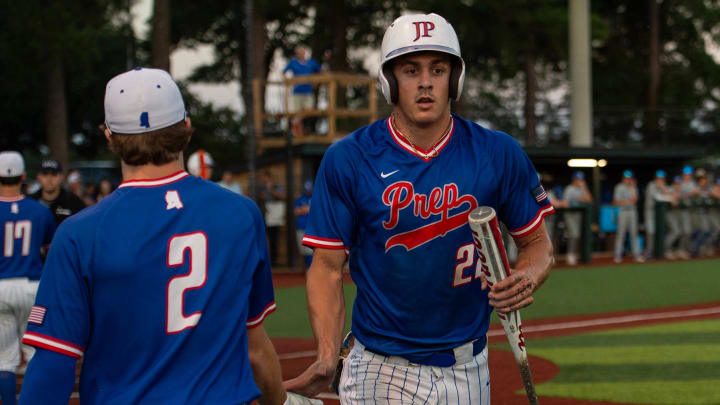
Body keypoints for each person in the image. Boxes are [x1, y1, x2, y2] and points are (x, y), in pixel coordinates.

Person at [285, 13, 555, 403]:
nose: (426, 81)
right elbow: (326, 268)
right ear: (390, 81)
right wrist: (327, 355)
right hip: (382, 367)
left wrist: (525, 277)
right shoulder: (350, 158)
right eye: (411, 70)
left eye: (438, 69)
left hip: (471, 364)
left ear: (455, 79)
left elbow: (538, 245)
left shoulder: (498, 153)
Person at [19, 67, 287, 404]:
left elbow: (53, 366)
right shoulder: (241, 214)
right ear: (186, 128)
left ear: (110, 137)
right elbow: (256, 352)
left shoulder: (79, 233)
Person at [0, 151, 56, 405]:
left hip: (1, 288)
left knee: (5, 360)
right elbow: (49, 250)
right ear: (24, 176)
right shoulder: (40, 211)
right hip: (32, 288)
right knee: (35, 355)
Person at [30, 158, 86, 225]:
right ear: (38, 177)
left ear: (61, 177)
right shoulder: (31, 201)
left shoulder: (73, 201)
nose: (49, 179)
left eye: (54, 175)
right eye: (45, 174)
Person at [283, 47, 322, 136]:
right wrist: (289, 82)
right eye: (299, 52)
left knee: (309, 109)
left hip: (308, 91)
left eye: (303, 52)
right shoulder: (293, 62)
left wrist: (316, 82)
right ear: (297, 54)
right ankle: (298, 135)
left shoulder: (311, 62)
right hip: (297, 91)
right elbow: (284, 72)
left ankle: (294, 122)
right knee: (297, 111)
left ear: (305, 53)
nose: (301, 54)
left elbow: (320, 71)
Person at [562, 171, 593, 265]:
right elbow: (565, 204)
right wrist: (578, 200)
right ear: (574, 179)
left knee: (577, 235)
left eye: (580, 179)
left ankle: (574, 254)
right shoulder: (569, 189)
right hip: (570, 215)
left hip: (578, 215)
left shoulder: (581, 189)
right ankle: (570, 255)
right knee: (574, 234)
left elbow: (589, 200)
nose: (579, 181)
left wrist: (584, 187)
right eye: (577, 179)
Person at [613, 170, 643, 263]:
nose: (628, 180)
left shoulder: (633, 187)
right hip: (622, 212)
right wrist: (628, 201)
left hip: (632, 212)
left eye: (629, 178)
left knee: (634, 234)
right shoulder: (619, 187)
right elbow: (616, 202)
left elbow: (635, 200)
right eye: (626, 178)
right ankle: (617, 256)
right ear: (623, 178)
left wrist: (633, 188)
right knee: (621, 234)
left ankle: (636, 255)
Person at [257, 171, 286, 266]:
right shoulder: (260, 188)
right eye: (264, 179)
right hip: (264, 216)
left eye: (267, 178)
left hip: (274, 217)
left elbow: (282, 196)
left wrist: (271, 190)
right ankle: (263, 260)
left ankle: (274, 261)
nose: (265, 180)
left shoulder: (277, 187)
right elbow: (258, 197)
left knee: (274, 239)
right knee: (262, 239)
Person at [643, 170, 673, 259]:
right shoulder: (651, 185)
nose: (660, 180)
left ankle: (658, 252)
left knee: (660, 232)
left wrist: (664, 189)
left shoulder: (665, 186)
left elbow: (671, 195)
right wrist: (666, 192)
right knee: (650, 231)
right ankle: (649, 251)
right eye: (658, 178)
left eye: (662, 178)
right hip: (650, 211)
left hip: (660, 213)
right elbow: (658, 198)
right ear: (655, 179)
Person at [293, 180, 314, 269]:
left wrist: (304, 209)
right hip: (301, 228)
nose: (308, 191)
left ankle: (310, 269)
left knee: (311, 251)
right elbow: (295, 211)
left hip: (312, 228)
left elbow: (316, 210)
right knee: (303, 251)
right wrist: (305, 209)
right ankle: (308, 268)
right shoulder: (300, 198)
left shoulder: (316, 197)